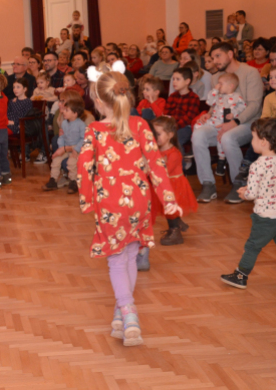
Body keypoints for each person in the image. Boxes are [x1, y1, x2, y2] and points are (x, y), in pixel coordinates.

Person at [77, 69, 180, 347]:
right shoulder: (141, 124)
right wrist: (168, 198)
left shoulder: (95, 129)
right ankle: (121, 314)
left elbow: (84, 167)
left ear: (98, 102)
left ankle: (129, 312)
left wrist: (87, 200)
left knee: (115, 259)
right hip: (138, 199)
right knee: (131, 255)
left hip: (109, 201)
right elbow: (156, 163)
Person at [220, 118, 276, 290]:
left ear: (263, 142)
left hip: (267, 216)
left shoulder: (257, 166)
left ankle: (241, 275)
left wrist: (243, 192)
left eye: (253, 138)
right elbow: (273, 184)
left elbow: (252, 193)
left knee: (253, 246)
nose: (251, 141)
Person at [193, 42, 264, 203]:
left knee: (228, 137)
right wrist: (208, 114)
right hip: (220, 121)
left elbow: (255, 104)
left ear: (230, 54)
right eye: (212, 57)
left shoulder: (250, 72)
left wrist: (235, 122)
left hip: (248, 123)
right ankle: (208, 184)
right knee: (198, 135)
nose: (215, 61)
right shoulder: (215, 77)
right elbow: (217, 102)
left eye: (218, 56)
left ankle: (239, 184)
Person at [150, 116, 197, 248]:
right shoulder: (158, 150)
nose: (155, 137)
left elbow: (164, 172)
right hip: (165, 185)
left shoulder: (174, 154)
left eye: (158, 134)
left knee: (169, 208)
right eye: (153, 134)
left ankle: (175, 232)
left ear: (170, 135)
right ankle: (178, 222)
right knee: (167, 209)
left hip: (174, 186)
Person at [197, 73, 246, 177]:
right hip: (214, 120)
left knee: (222, 138)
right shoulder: (218, 96)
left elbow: (242, 107)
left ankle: (221, 159)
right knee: (198, 126)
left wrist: (234, 114)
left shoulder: (237, 97)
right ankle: (197, 147)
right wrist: (214, 90)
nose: (218, 85)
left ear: (231, 86)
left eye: (220, 83)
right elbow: (209, 102)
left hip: (224, 123)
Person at [42, 98, 87, 194]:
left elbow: (84, 139)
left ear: (75, 114)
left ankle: (73, 181)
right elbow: (62, 137)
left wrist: (76, 149)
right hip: (66, 148)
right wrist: (60, 147)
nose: (63, 112)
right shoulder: (64, 123)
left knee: (71, 162)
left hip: (77, 148)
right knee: (56, 160)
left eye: (67, 110)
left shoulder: (81, 125)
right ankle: (53, 180)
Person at [164, 67, 200, 148]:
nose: (174, 82)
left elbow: (189, 118)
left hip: (186, 127)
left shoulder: (194, 97)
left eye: (178, 79)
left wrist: (174, 127)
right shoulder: (172, 96)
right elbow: (166, 113)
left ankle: (180, 161)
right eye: (173, 79)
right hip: (171, 126)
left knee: (176, 141)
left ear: (187, 81)